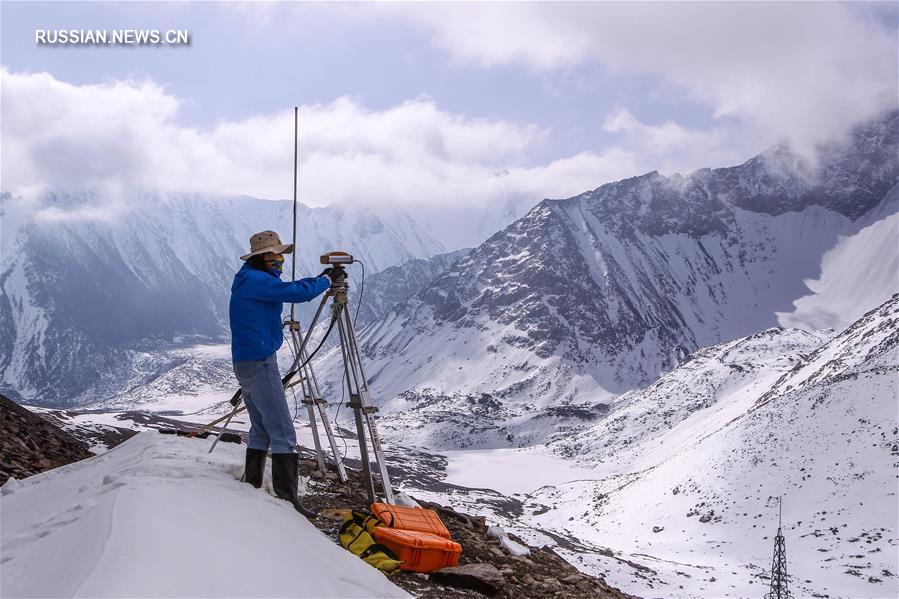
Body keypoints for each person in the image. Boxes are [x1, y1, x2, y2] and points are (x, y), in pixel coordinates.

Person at [229, 230, 332, 518]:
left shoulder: (247, 278)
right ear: (263, 258)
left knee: (261, 428)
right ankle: (287, 502)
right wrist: (324, 281)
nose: (280, 261)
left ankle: (251, 483)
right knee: (283, 431)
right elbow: (295, 293)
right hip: (260, 361)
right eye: (276, 256)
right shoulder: (257, 281)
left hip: (247, 360)